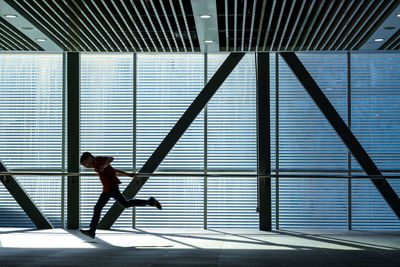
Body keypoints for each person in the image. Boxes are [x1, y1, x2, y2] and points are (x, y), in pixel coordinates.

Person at [79, 152, 161, 238]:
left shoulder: (97, 160)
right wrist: (128, 174)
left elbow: (111, 158)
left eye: (86, 163)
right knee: (101, 207)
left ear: (89, 157)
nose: (87, 166)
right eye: (85, 165)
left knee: (123, 204)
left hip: (111, 188)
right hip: (107, 189)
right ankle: (92, 231)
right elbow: (114, 170)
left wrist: (104, 166)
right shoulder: (96, 165)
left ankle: (150, 202)